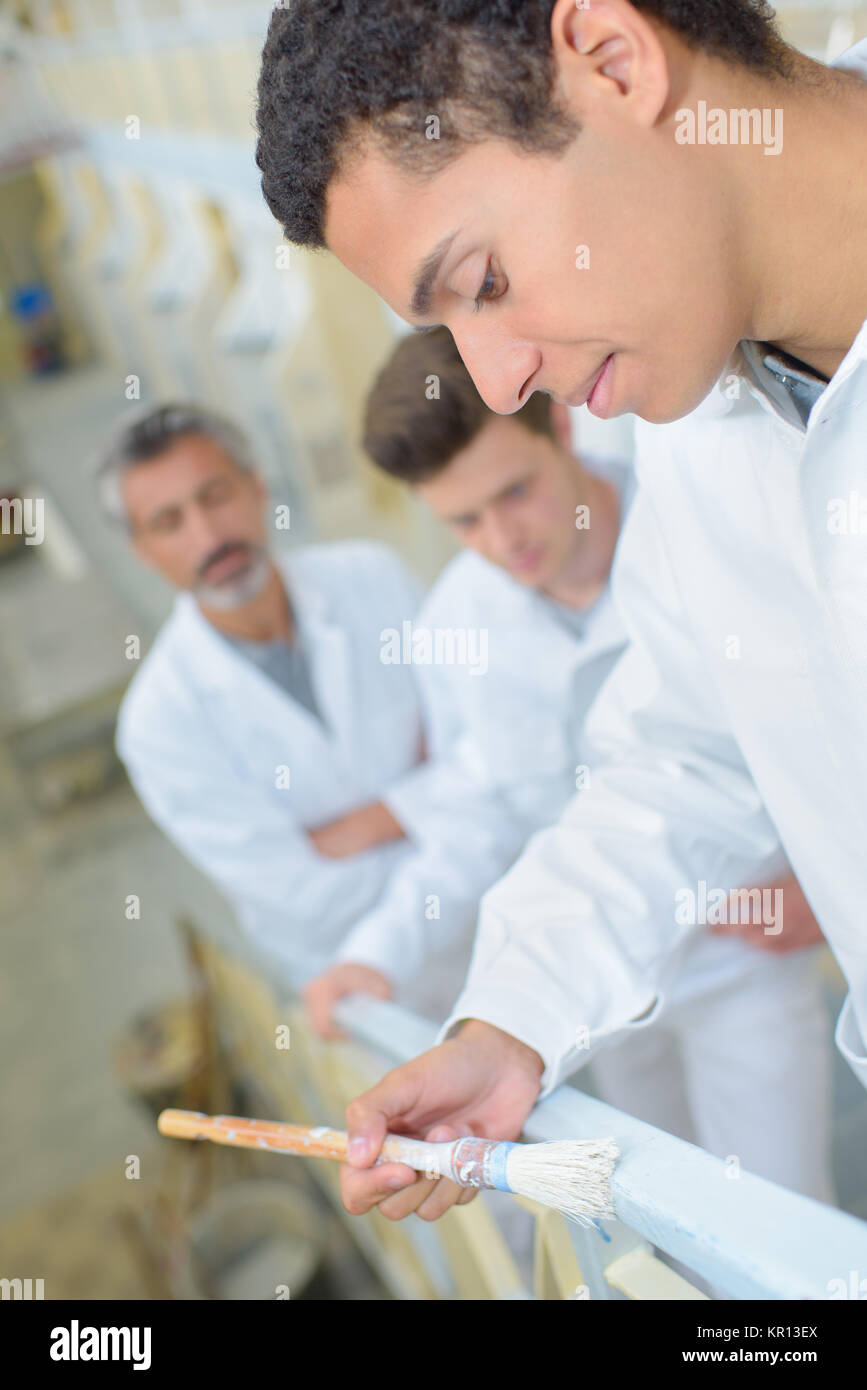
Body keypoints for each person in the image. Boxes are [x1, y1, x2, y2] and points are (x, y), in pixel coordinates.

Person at [254, 0, 867, 1226]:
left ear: (611, 60)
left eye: (485, 282)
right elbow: (677, 754)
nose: (498, 380)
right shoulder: (704, 425)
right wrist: (513, 1017)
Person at [306, 325, 830, 1197]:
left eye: (513, 493)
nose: (501, 539)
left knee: (775, 1211)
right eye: (463, 521)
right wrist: (377, 952)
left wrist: (828, 879)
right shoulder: (452, 629)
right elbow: (476, 811)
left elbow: (813, 722)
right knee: (633, 1221)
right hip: (593, 993)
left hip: (744, 957)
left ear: (560, 428)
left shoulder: (699, 531)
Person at [103, 403, 486, 1014]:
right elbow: (303, 898)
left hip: (497, 930)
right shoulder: (159, 724)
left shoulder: (373, 577)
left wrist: (370, 823)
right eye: (169, 521)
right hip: (366, 991)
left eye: (216, 495)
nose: (209, 536)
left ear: (257, 486)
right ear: (142, 548)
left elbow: (489, 755)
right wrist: (438, 812)